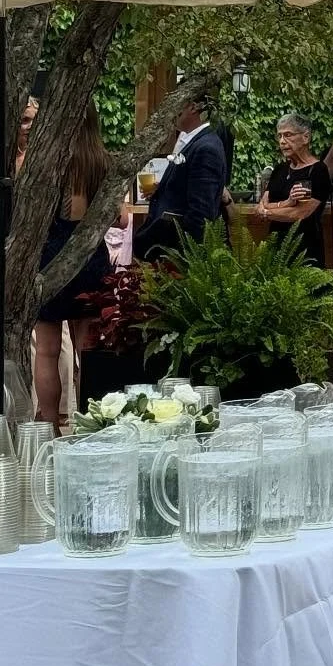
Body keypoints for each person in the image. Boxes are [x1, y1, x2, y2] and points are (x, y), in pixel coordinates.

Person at [34, 101, 113, 428]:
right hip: (90, 255)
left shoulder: (47, 160)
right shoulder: (103, 161)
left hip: (50, 256)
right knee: (88, 351)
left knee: (47, 351)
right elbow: (119, 218)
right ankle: (90, 428)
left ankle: (49, 428)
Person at [134, 93, 228, 259]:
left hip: (177, 256)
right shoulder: (194, 142)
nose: (173, 110)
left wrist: (180, 261)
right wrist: (163, 190)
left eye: (177, 103)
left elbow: (201, 215)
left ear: (193, 107)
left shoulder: (206, 148)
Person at [258, 111, 332, 264]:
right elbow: (262, 204)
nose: (282, 141)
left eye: (288, 135)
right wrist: (288, 202)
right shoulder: (279, 170)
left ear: (306, 137)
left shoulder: (317, 171)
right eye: (279, 136)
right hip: (276, 248)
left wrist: (266, 212)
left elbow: (299, 213)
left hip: (304, 250)